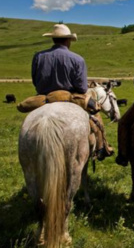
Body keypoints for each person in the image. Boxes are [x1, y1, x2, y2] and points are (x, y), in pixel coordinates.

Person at [31, 23, 113, 161]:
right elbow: (81, 88)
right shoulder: (77, 59)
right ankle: (101, 147)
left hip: (45, 98)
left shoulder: (38, 57)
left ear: (53, 39)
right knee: (97, 115)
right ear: (68, 40)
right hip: (70, 97)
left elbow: (35, 80)